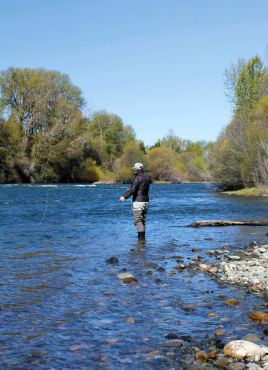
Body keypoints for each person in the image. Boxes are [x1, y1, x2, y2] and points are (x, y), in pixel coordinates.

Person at [119, 163, 151, 240]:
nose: (134, 170)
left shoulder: (137, 178)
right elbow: (140, 188)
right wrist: (130, 189)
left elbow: (133, 190)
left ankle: (141, 239)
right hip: (146, 202)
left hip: (138, 202)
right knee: (142, 221)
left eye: (134, 169)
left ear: (137, 169)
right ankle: (143, 241)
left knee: (138, 221)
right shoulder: (147, 178)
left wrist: (124, 197)